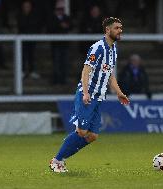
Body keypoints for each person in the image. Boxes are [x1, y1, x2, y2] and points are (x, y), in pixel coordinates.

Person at [49, 17, 129, 173]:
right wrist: (85, 93)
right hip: (88, 95)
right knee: (81, 132)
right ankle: (57, 160)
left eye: (121, 28)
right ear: (108, 30)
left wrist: (119, 93)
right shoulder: (97, 48)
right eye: (117, 28)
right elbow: (86, 71)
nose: (120, 30)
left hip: (99, 97)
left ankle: (61, 159)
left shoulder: (113, 49)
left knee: (92, 136)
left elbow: (110, 74)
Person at [47, 1, 72, 85]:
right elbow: (50, 29)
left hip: (64, 44)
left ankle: (63, 79)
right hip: (55, 44)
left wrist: (66, 26)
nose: (60, 11)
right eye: (58, 9)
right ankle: (56, 79)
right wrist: (60, 25)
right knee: (56, 63)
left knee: (64, 62)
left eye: (62, 9)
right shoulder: (51, 18)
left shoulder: (67, 18)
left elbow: (70, 27)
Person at [17, 0, 40, 79]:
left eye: (28, 6)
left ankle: (31, 71)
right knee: (23, 56)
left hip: (31, 38)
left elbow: (35, 25)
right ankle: (22, 71)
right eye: (25, 6)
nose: (26, 8)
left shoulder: (34, 15)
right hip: (22, 39)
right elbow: (21, 25)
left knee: (31, 55)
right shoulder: (20, 15)